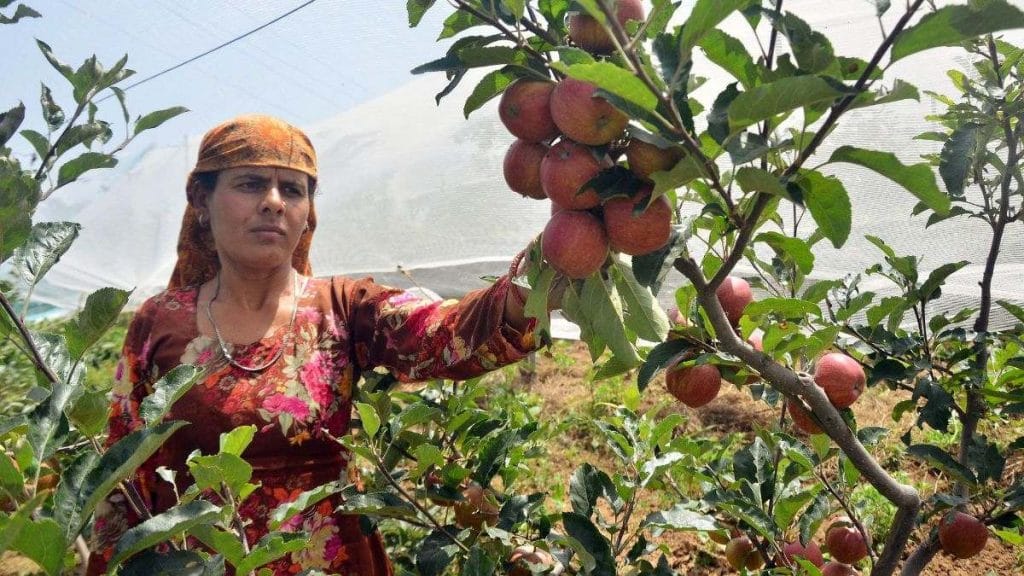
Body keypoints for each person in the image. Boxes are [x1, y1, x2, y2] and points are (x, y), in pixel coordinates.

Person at [87, 114, 547, 575]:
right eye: (250, 184)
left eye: (292, 190)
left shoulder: (343, 308)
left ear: (308, 212)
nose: (273, 203)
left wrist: (543, 269)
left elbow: (444, 334)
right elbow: (121, 476)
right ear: (202, 200)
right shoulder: (159, 321)